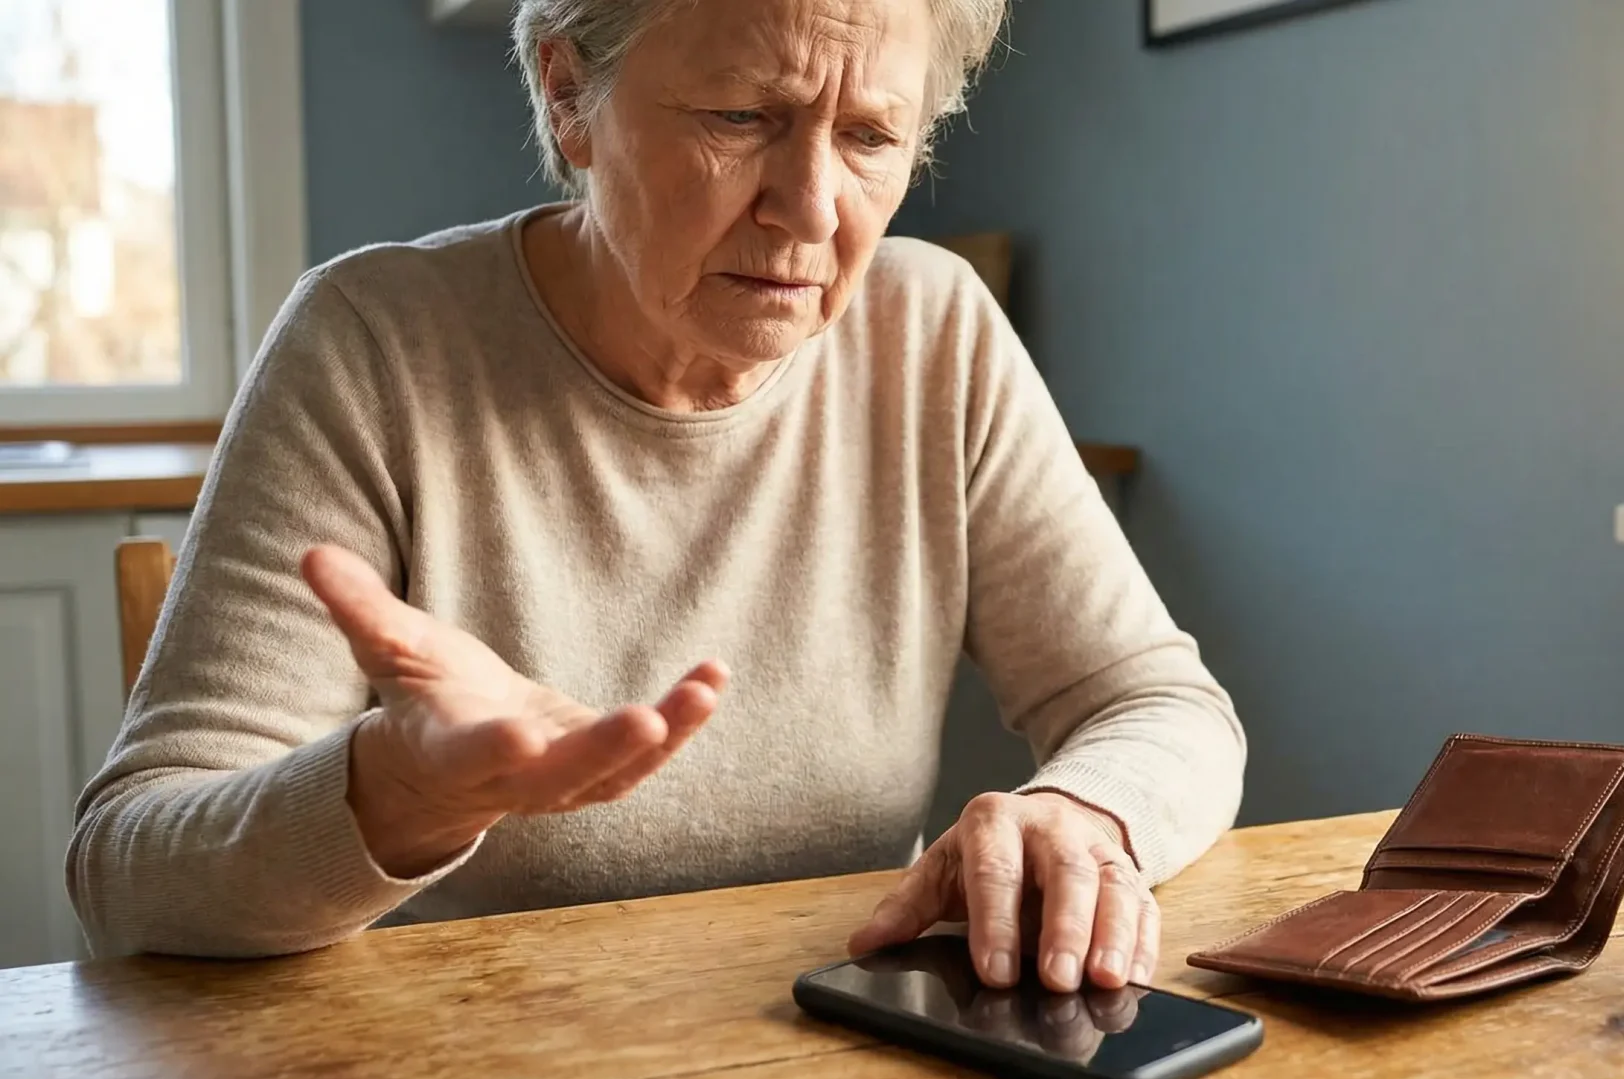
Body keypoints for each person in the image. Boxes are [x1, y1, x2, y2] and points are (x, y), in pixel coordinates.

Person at [68, 0, 1244, 995]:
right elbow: (129, 867)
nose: (812, 207)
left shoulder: (929, 330)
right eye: (742, 118)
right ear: (569, 95)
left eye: (872, 136)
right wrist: (399, 791)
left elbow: (1157, 703)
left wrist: (1086, 815)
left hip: (830, 1056)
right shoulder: (372, 343)